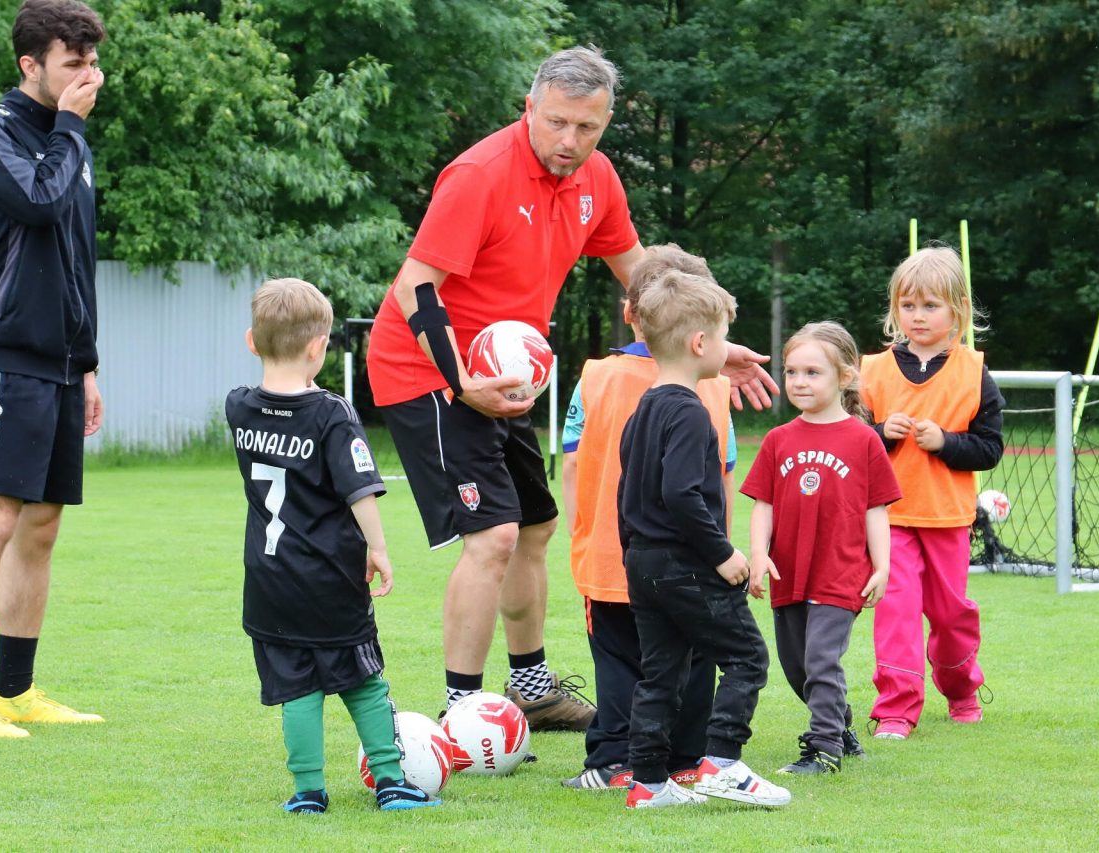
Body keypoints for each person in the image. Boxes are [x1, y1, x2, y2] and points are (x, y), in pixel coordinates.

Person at [366, 45, 778, 729]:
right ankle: (466, 710)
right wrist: (461, 381)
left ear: (606, 121)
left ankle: (530, 687)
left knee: (536, 525)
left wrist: (714, 346)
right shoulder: (480, 174)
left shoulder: (599, 179)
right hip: (426, 372)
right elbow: (415, 287)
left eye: (587, 128)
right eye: (556, 123)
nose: (569, 141)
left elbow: (644, 278)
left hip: (506, 379)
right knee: (494, 534)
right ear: (529, 108)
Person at [0, 0, 107, 738]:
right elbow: (36, 204)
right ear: (31, 65)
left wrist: (90, 363)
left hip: (64, 363)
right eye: (74, 64)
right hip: (7, 353)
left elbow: (77, 259)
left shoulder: (76, 147)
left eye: (94, 63)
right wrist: (68, 128)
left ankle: (14, 690)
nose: (89, 77)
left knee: (42, 526)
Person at [227, 278, 440, 814]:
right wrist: (380, 549)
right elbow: (360, 491)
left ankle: (308, 793)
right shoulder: (331, 415)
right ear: (319, 348)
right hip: (330, 578)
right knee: (364, 681)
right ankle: (391, 782)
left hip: (269, 580)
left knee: (297, 692)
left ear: (252, 342)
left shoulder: (238, 408)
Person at [559, 245, 736, 791]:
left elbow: (571, 460)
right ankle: (688, 757)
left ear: (629, 310)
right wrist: (719, 550)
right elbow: (721, 475)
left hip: (613, 556)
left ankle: (614, 760)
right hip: (694, 558)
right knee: (692, 656)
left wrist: (582, 531)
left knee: (618, 659)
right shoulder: (714, 383)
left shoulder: (595, 376)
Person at [617, 270, 789, 809]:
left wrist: (637, 557)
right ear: (699, 344)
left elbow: (629, 492)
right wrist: (724, 553)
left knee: (661, 672)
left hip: (643, 564)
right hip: (687, 564)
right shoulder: (690, 412)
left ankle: (647, 782)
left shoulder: (643, 408)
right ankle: (723, 763)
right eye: (721, 336)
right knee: (747, 658)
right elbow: (681, 495)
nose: (724, 348)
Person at [742, 322, 902, 774]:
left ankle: (824, 748)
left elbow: (876, 510)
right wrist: (759, 554)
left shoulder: (864, 439)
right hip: (789, 572)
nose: (799, 381)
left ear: (845, 377)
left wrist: (882, 566)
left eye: (813, 372)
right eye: (792, 372)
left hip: (840, 571)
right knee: (797, 668)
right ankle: (842, 726)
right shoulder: (778, 439)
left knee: (820, 660)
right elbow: (763, 506)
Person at [861, 246, 1004, 740]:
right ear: (894, 309)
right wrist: (880, 432)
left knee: (950, 613)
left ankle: (961, 686)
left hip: (948, 519)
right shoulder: (872, 370)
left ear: (957, 310)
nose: (917, 317)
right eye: (908, 305)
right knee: (896, 611)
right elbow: (853, 443)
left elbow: (989, 448)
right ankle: (896, 710)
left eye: (930, 306)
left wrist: (946, 442)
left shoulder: (973, 371)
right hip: (889, 519)